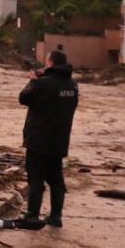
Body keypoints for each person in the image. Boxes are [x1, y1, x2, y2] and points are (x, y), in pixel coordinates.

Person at [19, 49, 79, 227]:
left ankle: (32, 215)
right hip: (59, 139)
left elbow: (23, 98)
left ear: (50, 63)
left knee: (36, 178)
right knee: (56, 180)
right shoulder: (72, 85)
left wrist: (33, 81)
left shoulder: (42, 83)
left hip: (38, 139)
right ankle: (55, 217)